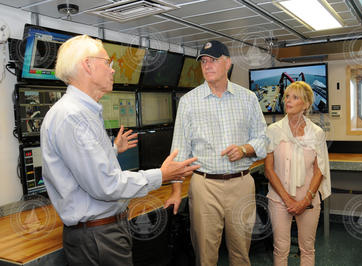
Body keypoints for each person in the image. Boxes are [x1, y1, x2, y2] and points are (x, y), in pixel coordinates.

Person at [40, 35, 200, 266]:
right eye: (107, 63)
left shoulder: (82, 113)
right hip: (98, 236)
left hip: (103, 231)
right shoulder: (73, 117)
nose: (112, 70)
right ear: (87, 65)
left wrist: (113, 149)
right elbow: (105, 185)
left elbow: (87, 167)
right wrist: (162, 175)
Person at [165, 40, 268, 266]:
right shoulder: (189, 102)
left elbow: (263, 141)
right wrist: (175, 191)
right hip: (205, 186)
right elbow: (179, 151)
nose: (207, 65)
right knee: (205, 254)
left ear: (228, 63)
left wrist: (244, 149)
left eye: (213, 60)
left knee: (241, 253)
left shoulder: (248, 98)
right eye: (203, 61)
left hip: (241, 184)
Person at [264, 81, 331, 266]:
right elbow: (269, 170)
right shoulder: (273, 130)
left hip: (308, 200)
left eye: (295, 97)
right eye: (287, 96)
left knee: (307, 248)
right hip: (279, 199)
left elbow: (320, 170)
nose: (288, 101)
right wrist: (288, 200)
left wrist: (305, 201)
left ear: (306, 104)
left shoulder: (316, 133)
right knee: (280, 248)